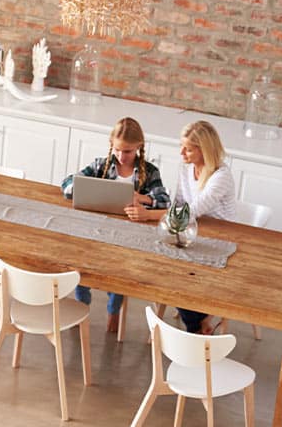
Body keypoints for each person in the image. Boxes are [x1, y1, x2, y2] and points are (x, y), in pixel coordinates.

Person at [61, 117, 171, 332]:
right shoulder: (100, 165)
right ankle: (81, 304)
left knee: (119, 272)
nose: (122, 156)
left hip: (128, 237)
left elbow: (165, 201)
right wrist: (86, 188)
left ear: (139, 147)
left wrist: (144, 199)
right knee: (81, 264)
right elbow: (66, 186)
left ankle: (114, 310)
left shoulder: (149, 172)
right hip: (95, 230)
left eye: (128, 151)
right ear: (111, 144)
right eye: (118, 149)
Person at [127, 120, 237, 334]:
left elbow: (191, 211)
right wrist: (147, 201)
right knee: (165, 269)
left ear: (204, 149)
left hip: (220, 237)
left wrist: (149, 215)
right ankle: (201, 320)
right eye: (182, 146)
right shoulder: (186, 169)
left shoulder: (221, 176)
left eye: (188, 148)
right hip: (191, 232)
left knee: (176, 274)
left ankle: (197, 327)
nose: (181, 153)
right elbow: (177, 205)